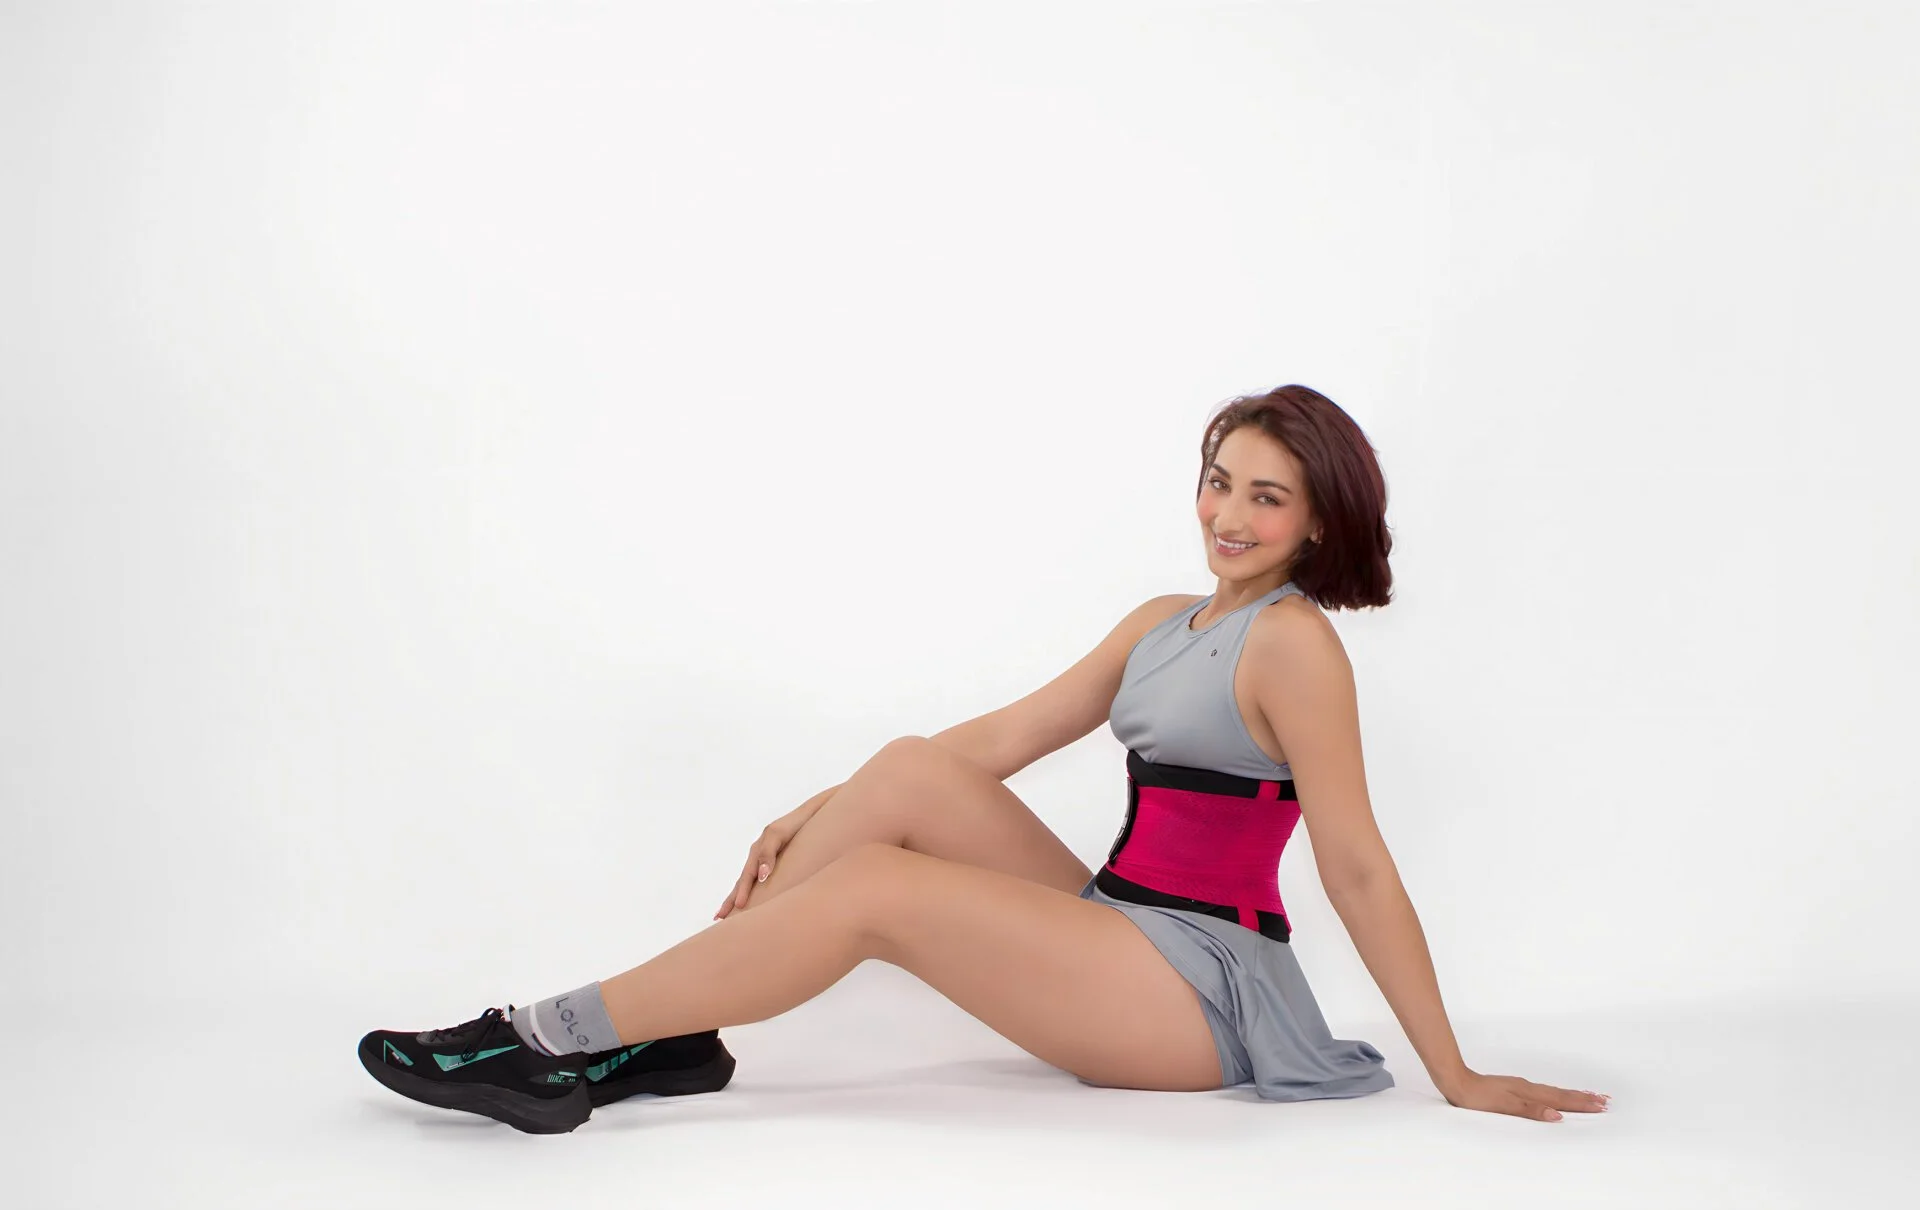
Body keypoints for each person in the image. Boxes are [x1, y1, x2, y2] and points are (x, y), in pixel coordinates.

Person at [358, 384, 1613, 1133]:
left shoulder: (1296, 647)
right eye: (1218, 481)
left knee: (875, 892)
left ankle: (550, 1037)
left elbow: (1357, 867)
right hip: (1123, 927)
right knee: (908, 769)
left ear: (1320, 519)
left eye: (1265, 497)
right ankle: (664, 1037)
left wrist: (1454, 1071)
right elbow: (1000, 742)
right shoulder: (1163, 622)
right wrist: (819, 802)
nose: (1228, 515)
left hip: (1204, 991)